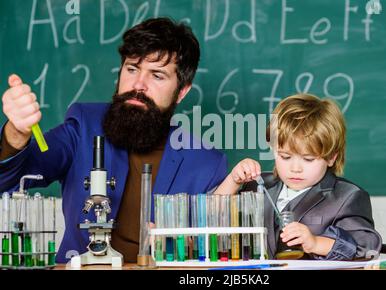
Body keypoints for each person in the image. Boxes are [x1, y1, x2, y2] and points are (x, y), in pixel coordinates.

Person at [0, 18, 227, 263]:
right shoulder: (84, 124)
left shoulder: (206, 162)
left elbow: (212, 253)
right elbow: (10, 178)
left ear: (181, 91)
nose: (138, 85)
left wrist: (187, 245)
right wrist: (17, 133)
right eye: (131, 69)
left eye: (157, 76)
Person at [214, 94, 382, 260]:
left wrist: (316, 243)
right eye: (285, 157)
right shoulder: (257, 186)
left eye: (308, 159)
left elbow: (366, 246)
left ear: (331, 157)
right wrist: (233, 181)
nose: (295, 168)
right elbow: (210, 219)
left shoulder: (347, 196)